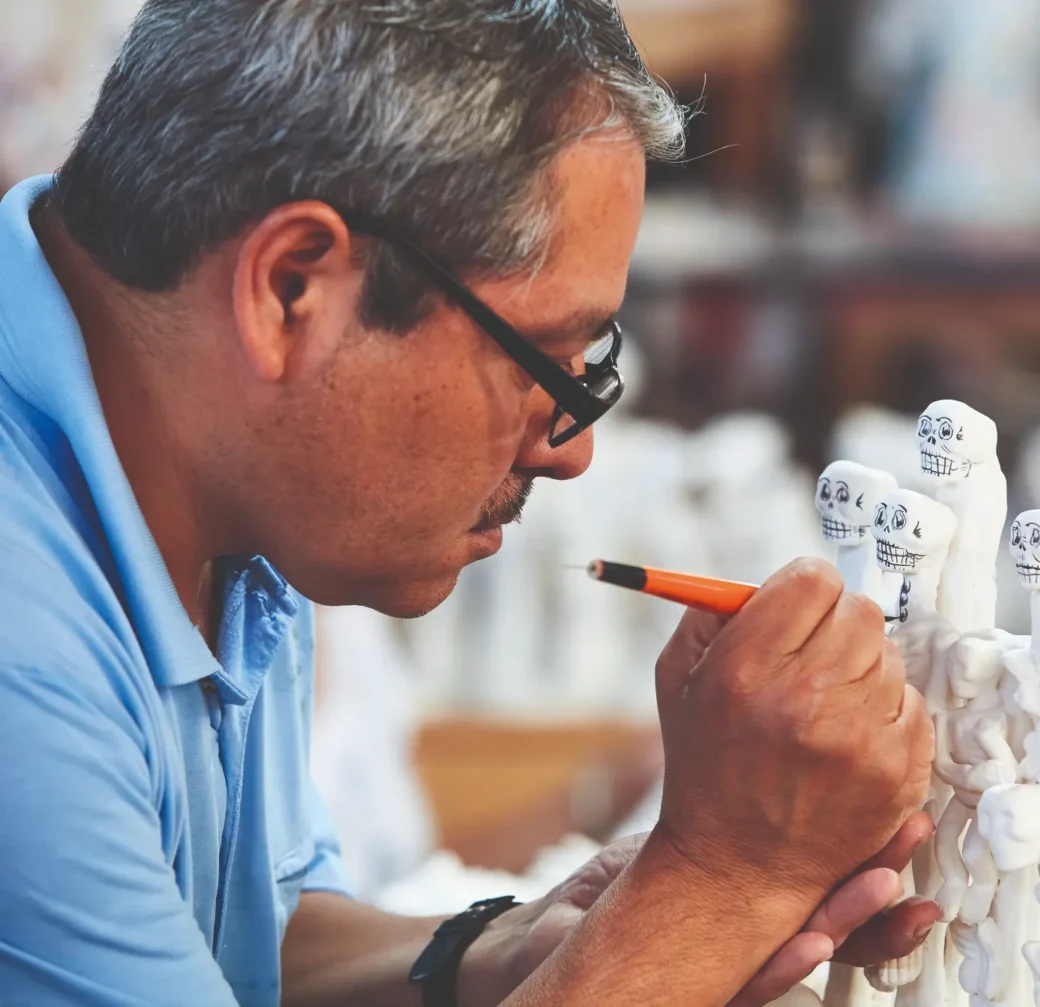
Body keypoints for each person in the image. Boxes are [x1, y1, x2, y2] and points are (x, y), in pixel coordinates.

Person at [0, 2, 940, 1005]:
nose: (570, 451)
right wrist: (714, 887)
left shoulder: (220, 476)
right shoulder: (25, 638)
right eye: (547, 361)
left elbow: (238, 932)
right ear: (289, 289)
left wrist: (504, 949)